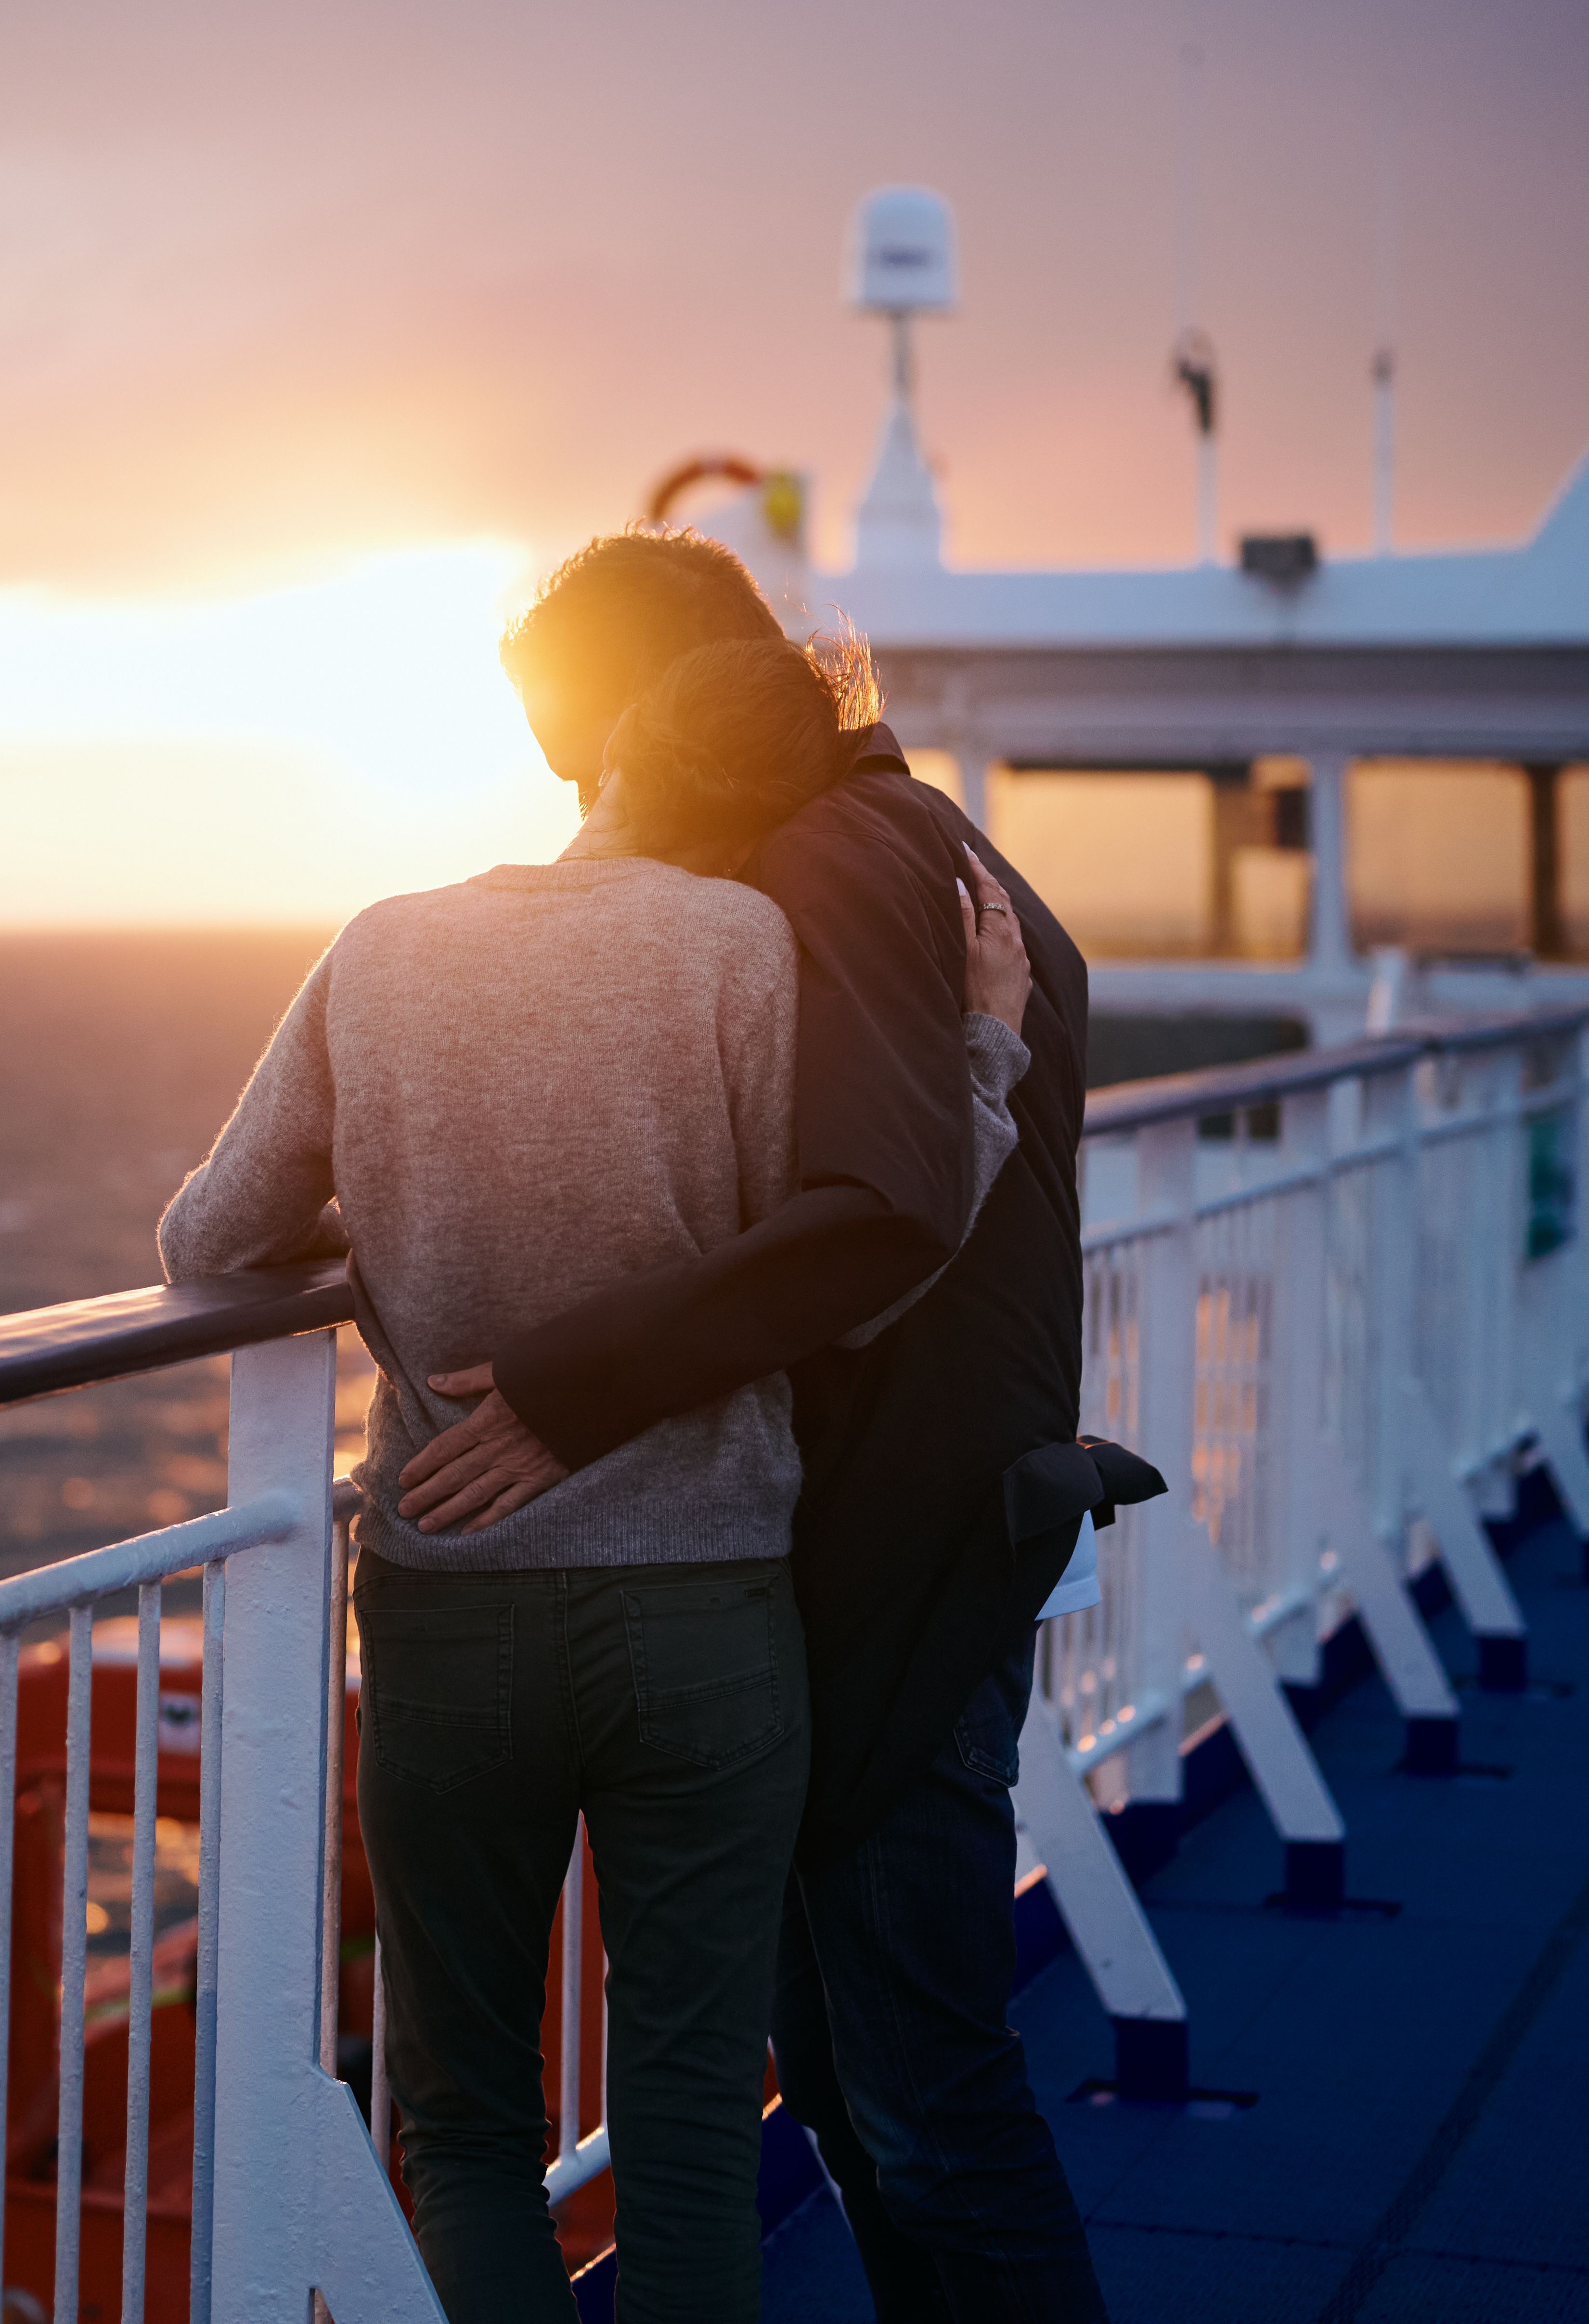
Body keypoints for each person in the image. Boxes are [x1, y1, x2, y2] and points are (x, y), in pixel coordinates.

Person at [158, 635, 1033, 2324]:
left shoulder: (384, 946)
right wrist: (984, 1052)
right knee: (696, 2130)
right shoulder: (753, 951)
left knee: (468, 2124)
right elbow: (870, 1263)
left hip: (450, 1611)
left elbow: (214, 1239)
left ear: (614, 746)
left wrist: (392, 1226)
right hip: (705, 1613)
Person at [396, 530, 1119, 2324]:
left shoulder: (841, 859)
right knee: (869, 2100)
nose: (575, 782)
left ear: (665, 691)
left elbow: (878, 1209)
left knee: (924, 2101)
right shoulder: (901, 835)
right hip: (896, 1541)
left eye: (576, 733)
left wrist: (571, 1390)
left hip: (902, 1558)